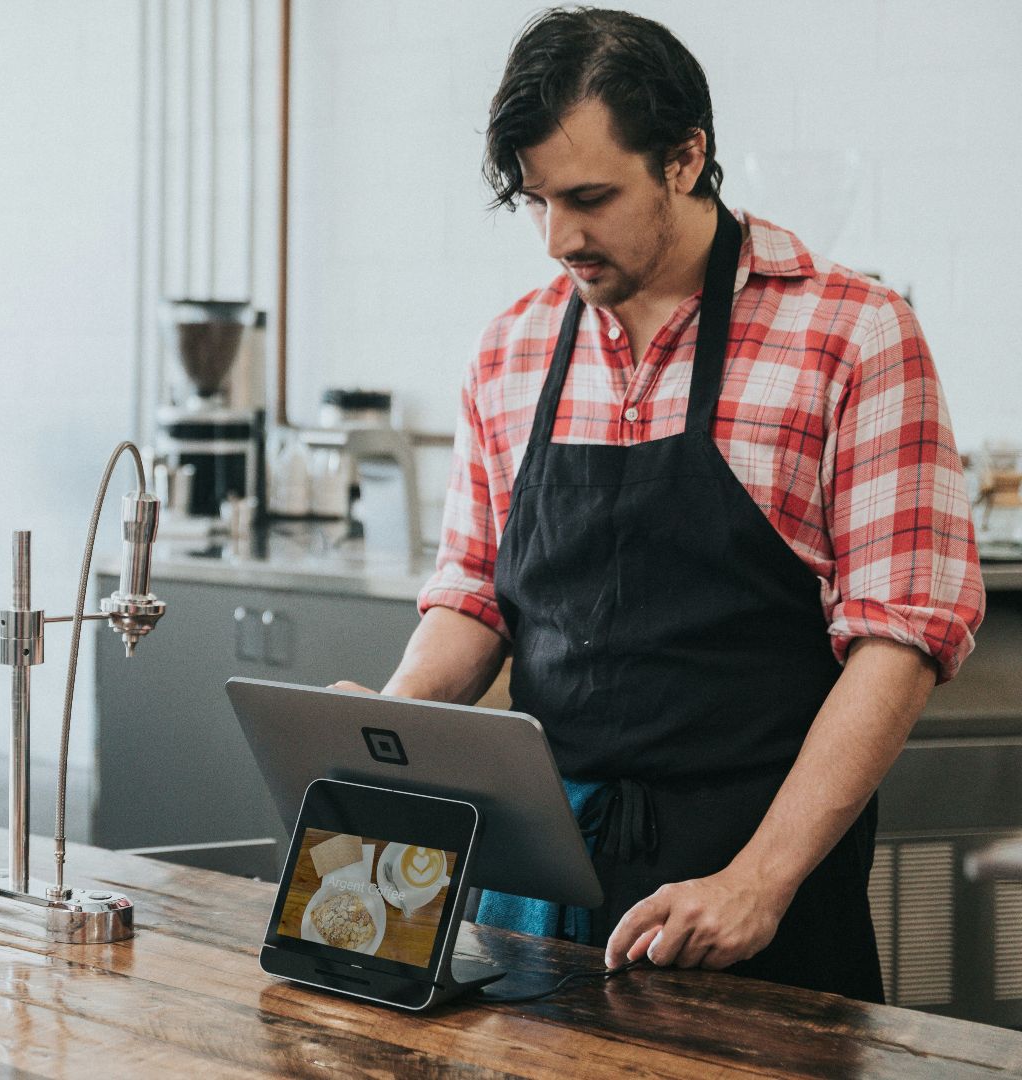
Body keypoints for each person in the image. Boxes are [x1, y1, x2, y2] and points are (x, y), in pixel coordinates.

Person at [336, 8, 984, 1001]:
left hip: (755, 893)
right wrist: (387, 728)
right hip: (538, 894)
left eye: (590, 198)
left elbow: (899, 641)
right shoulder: (510, 350)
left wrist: (757, 882)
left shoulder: (854, 336)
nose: (559, 238)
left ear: (687, 157)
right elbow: (474, 596)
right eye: (537, 200)